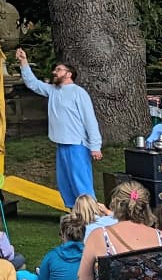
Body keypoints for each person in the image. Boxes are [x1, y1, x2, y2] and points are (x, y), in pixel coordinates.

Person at [15, 48, 103, 210]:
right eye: (55, 69)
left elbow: (90, 120)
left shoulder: (79, 93)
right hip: (61, 144)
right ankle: (74, 214)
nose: (55, 72)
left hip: (77, 144)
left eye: (59, 70)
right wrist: (23, 62)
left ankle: (91, 215)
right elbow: (33, 84)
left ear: (69, 74)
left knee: (81, 182)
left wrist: (95, 146)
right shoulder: (53, 91)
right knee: (66, 184)